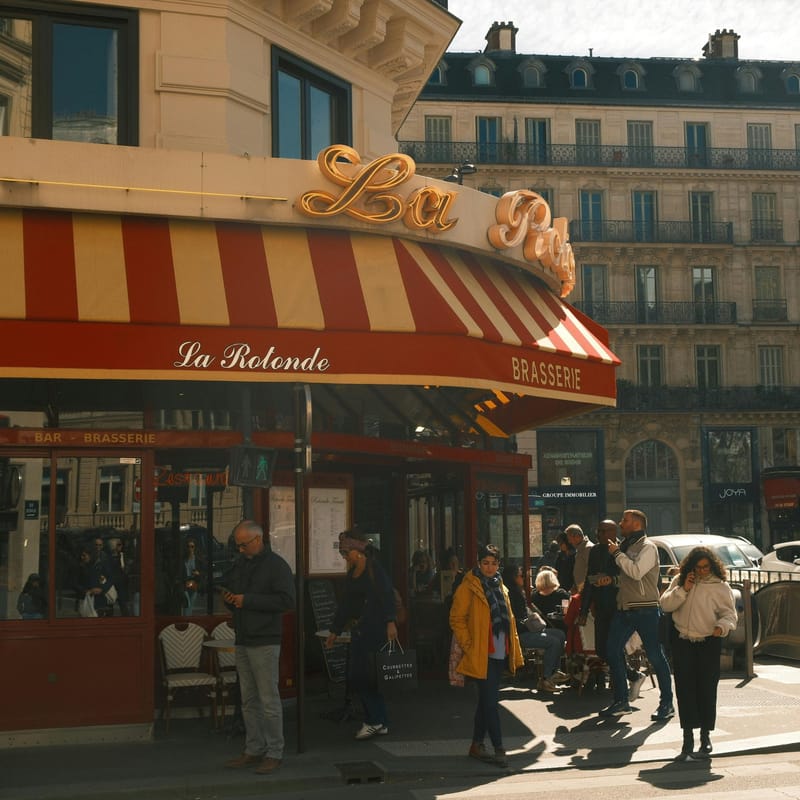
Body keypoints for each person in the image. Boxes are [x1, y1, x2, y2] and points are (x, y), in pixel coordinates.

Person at [222, 520, 295, 775]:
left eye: (243, 545)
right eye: (238, 545)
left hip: (264, 639)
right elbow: (236, 592)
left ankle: (274, 752)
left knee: (268, 699)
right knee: (249, 699)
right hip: (244, 637)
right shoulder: (242, 563)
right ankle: (254, 748)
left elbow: (287, 600)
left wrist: (247, 600)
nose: (240, 550)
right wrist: (231, 600)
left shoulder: (277, 566)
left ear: (257, 540)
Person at [449, 543, 524, 768]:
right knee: (491, 703)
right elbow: (456, 618)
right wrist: (470, 645)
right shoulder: (468, 586)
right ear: (478, 563)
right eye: (485, 563)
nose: (489, 568)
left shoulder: (500, 584)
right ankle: (499, 747)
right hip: (481, 651)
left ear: (498, 564)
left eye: (493, 563)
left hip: (500, 651)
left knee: (485, 701)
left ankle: (476, 744)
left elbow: (508, 619)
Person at [659, 546, 737, 759]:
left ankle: (705, 735)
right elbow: (665, 605)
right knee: (684, 689)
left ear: (712, 566)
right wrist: (684, 588)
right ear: (691, 566)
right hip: (682, 641)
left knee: (707, 687)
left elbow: (730, 614)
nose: (702, 571)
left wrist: (722, 627)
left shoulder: (720, 586)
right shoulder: (680, 581)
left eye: (706, 567)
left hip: (708, 641)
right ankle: (687, 737)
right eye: (698, 567)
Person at [600, 509, 674, 721]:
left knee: (655, 655)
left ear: (637, 524)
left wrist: (616, 553)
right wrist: (611, 580)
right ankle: (621, 701)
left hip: (646, 608)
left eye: (625, 520)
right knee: (611, 650)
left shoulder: (648, 547)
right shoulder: (628, 546)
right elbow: (629, 578)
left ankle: (667, 703)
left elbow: (637, 572)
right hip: (626, 608)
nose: (620, 523)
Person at [325, 526, 399, 740]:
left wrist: (390, 622)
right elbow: (346, 605)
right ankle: (380, 721)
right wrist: (335, 630)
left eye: (345, 553)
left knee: (365, 677)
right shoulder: (352, 574)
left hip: (375, 630)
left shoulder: (374, 569)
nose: (344, 557)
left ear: (357, 551)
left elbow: (386, 596)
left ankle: (374, 720)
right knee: (365, 677)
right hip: (360, 630)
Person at [578, 519, 646, 699]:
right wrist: (583, 610)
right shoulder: (594, 551)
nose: (598, 534)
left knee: (613, 648)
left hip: (618, 605)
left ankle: (623, 688)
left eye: (602, 531)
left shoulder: (621, 550)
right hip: (601, 606)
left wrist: (610, 579)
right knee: (602, 649)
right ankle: (632, 675)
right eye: (597, 531)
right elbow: (588, 580)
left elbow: (628, 576)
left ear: (612, 532)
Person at [506, 564, 567, 693]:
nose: (523, 578)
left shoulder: (519, 592)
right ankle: (545, 678)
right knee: (553, 641)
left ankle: (554, 671)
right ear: (514, 578)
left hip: (527, 630)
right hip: (521, 634)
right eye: (521, 576)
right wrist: (529, 622)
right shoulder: (512, 595)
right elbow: (514, 620)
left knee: (560, 634)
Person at [77, 545, 116, 617]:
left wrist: (102, 589)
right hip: (88, 601)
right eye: (81, 555)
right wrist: (86, 591)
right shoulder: (81, 567)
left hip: (102, 603)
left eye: (84, 555)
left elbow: (111, 579)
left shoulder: (102, 565)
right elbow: (75, 583)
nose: (82, 557)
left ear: (91, 555)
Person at [530, 566, 571, 632]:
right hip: (559, 628)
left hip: (540, 628)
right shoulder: (561, 594)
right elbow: (567, 612)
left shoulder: (533, 595)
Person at [565, 524, 593, 593]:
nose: (569, 542)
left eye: (570, 539)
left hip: (586, 589)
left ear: (577, 536)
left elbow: (591, 570)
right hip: (580, 588)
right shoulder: (580, 548)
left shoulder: (588, 548)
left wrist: (583, 586)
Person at [182, 538, 204, 615]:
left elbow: (202, 571)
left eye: (192, 546)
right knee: (187, 603)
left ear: (195, 548)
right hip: (185, 583)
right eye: (188, 546)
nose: (190, 549)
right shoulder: (183, 559)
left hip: (193, 583)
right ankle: (185, 621)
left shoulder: (197, 559)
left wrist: (198, 573)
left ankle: (188, 621)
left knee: (191, 604)